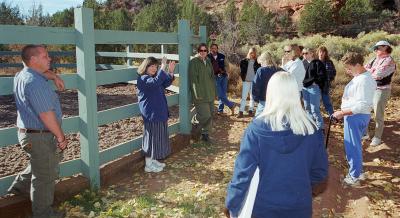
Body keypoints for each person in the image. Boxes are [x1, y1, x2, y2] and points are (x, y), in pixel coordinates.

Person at [225, 71, 328, 218]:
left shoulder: (256, 130)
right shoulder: (312, 129)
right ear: (295, 93)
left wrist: (232, 204)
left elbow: (243, 174)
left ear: (270, 93)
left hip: (262, 208)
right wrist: (302, 188)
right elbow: (320, 173)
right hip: (299, 207)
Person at [8, 45, 68, 218]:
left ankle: (21, 187)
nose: (49, 59)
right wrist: (60, 136)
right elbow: (46, 115)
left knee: (44, 163)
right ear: (33, 60)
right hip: (39, 135)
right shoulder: (35, 83)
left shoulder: (22, 75)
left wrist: (54, 76)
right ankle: (43, 214)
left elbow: (42, 74)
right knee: (44, 178)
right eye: (45, 56)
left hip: (28, 134)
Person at [333, 52, 376, 186]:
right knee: (355, 145)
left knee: (352, 147)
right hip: (353, 116)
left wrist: (343, 112)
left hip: (355, 117)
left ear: (357, 65)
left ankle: (354, 177)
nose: (347, 71)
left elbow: (362, 105)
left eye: (349, 68)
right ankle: (359, 172)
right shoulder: (361, 77)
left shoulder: (364, 80)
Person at [137, 56, 175, 173]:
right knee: (151, 138)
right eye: (151, 66)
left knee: (157, 137)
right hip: (151, 114)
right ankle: (148, 165)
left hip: (159, 112)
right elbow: (155, 82)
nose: (154, 68)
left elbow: (165, 83)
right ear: (145, 67)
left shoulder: (154, 79)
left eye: (156, 66)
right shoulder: (143, 79)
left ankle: (153, 160)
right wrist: (162, 68)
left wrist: (171, 72)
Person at [364, 40, 396, 146]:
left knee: (378, 114)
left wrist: (369, 71)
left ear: (385, 47)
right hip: (371, 89)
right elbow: (364, 69)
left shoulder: (389, 60)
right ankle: (367, 134)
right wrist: (370, 71)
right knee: (365, 111)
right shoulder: (374, 59)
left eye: (377, 47)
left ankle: (377, 137)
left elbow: (378, 75)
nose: (375, 50)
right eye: (375, 48)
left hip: (381, 90)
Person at [189, 43, 216, 142]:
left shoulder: (208, 61)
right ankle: (194, 121)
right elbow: (193, 80)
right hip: (200, 95)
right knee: (205, 115)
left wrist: (214, 92)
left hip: (209, 93)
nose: (203, 52)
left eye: (205, 50)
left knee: (211, 113)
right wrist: (197, 94)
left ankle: (205, 135)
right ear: (198, 51)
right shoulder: (193, 62)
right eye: (201, 50)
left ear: (207, 52)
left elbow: (212, 77)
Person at [302, 48, 328, 130]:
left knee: (314, 109)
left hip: (314, 88)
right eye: (303, 53)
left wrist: (315, 82)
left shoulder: (318, 63)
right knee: (307, 108)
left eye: (306, 53)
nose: (304, 55)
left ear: (311, 53)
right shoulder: (303, 63)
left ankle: (320, 128)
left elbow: (323, 76)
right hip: (304, 88)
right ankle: (311, 126)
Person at [208, 43, 236, 116]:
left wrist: (225, 71)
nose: (214, 49)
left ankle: (220, 111)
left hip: (224, 77)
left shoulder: (222, 56)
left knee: (223, 94)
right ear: (210, 49)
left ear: (217, 49)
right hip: (214, 78)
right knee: (220, 94)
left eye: (215, 48)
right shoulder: (208, 57)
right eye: (212, 48)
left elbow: (227, 65)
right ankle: (231, 105)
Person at [252, 51, 280, 116]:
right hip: (276, 100)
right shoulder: (279, 70)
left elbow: (255, 86)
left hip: (264, 100)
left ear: (264, 60)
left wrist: (255, 98)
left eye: (261, 62)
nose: (260, 64)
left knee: (258, 120)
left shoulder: (261, 70)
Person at [238, 47, 260, 118]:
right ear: (249, 52)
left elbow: (259, 72)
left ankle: (250, 111)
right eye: (251, 53)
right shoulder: (243, 61)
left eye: (253, 53)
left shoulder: (257, 62)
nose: (252, 54)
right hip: (246, 81)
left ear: (255, 54)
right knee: (244, 97)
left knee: (252, 97)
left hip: (254, 82)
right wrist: (244, 79)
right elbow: (241, 72)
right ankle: (241, 111)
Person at [318, 46, 336, 116]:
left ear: (325, 53)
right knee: (316, 103)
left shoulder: (329, 62)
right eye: (320, 52)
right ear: (318, 53)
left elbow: (333, 72)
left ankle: (332, 116)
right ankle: (318, 118)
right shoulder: (315, 62)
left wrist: (328, 80)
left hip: (325, 86)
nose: (321, 53)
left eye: (323, 52)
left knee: (327, 102)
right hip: (316, 86)